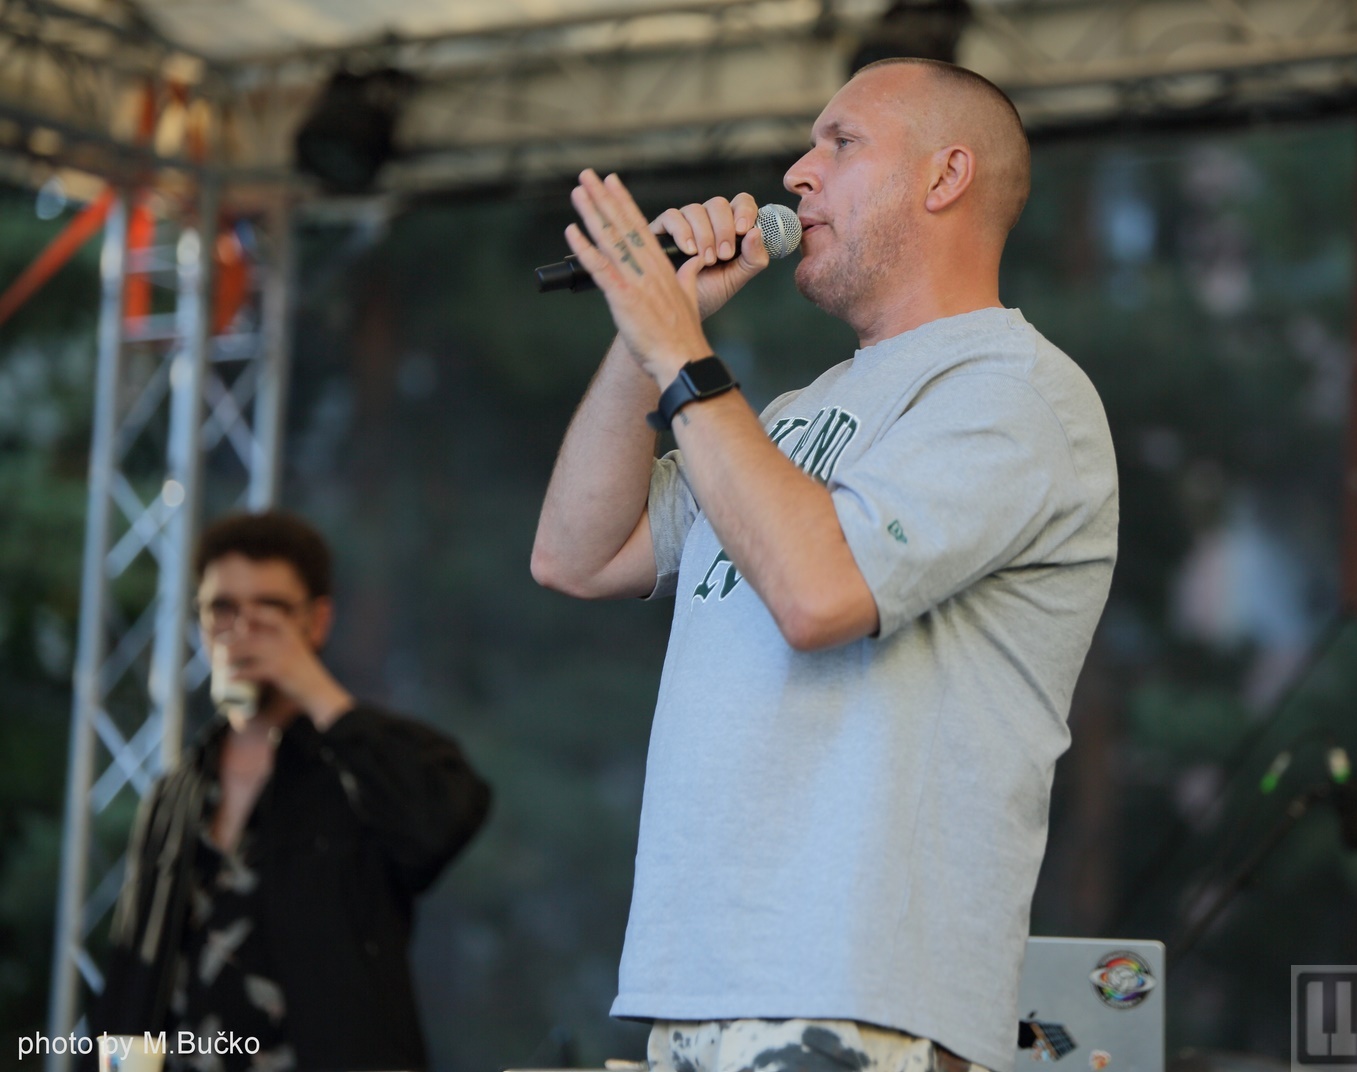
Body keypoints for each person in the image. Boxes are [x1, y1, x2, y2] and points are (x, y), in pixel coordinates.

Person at [531, 58, 1118, 1072]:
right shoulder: (786, 417)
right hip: (700, 982)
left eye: (840, 144)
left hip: (861, 993)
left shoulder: (1016, 393)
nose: (797, 174)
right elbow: (577, 555)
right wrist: (648, 333)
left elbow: (819, 595)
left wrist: (680, 357)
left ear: (945, 177)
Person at [95, 511, 491, 1072]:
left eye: (272, 609)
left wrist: (311, 686)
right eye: (223, 608)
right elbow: (134, 967)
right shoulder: (178, 789)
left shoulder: (359, 762)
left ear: (317, 621)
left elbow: (437, 826)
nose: (244, 629)